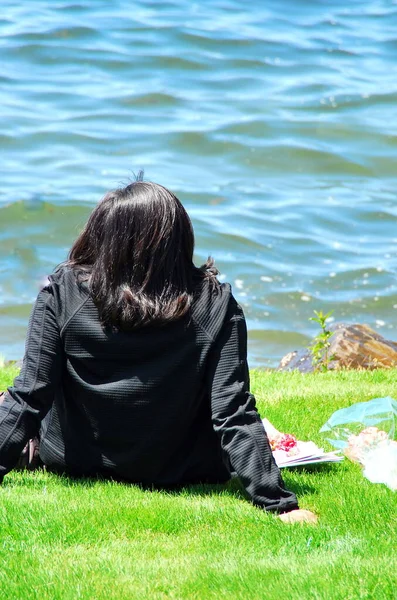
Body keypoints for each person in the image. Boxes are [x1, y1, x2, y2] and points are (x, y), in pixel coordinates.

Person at [0, 176, 316, 524]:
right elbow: (232, 411)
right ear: (178, 237)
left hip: (74, 460)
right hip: (181, 470)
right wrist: (281, 504)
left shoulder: (62, 293)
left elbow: (30, 395)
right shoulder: (215, 304)